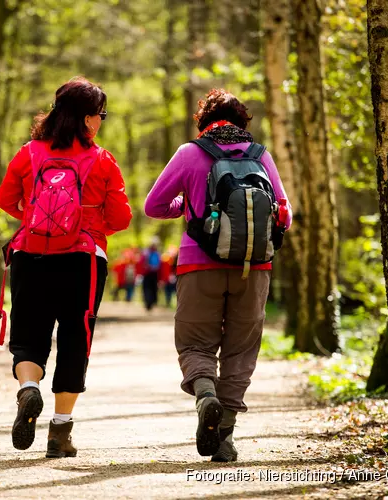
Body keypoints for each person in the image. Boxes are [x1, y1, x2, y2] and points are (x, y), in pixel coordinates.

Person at [144, 89, 292, 462]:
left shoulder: (189, 153)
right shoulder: (261, 156)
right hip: (254, 266)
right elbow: (285, 214)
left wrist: (187, 207)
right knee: (241, 349)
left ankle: (205, 391)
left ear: (204, 123)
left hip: (199, 262)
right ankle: (223, 436)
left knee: (195, 343)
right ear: (242, 122)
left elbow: (154, 205)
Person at [0, 77, 132, 458]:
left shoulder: (29, 153)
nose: (101, 122)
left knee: (28, 336)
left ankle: (29, 389)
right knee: (75, 339)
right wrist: (89, 223)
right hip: (83, 261)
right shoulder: (102, 160)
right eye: (100, 115)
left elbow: (5, 198)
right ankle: (59, 433)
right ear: (89, 119)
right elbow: (121, 218)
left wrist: (36, 217)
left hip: (29, 254)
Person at [141, 238, 161, 311]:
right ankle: (149, 303)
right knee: (150, 288)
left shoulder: (147, 252)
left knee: (149, 288)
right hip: (151, 273)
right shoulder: (156, 253)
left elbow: (141, 262)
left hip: (150, 273)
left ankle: (149, 303)